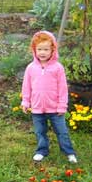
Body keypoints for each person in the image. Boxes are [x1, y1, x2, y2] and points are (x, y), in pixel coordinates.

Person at [21, 30, 77, 164]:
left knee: (62, 132)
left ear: (53, 50)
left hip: (55, 108)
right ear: (34, 50)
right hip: (37, 108)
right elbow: (26, 87)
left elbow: (63, 89)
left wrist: (62, 105)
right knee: (40, 132)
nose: (42, 52)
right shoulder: (31, 68)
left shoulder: (57, 68)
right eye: (39, 49)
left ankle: (69, 152)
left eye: (46, 49)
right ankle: (42, 151)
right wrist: (25, 102)